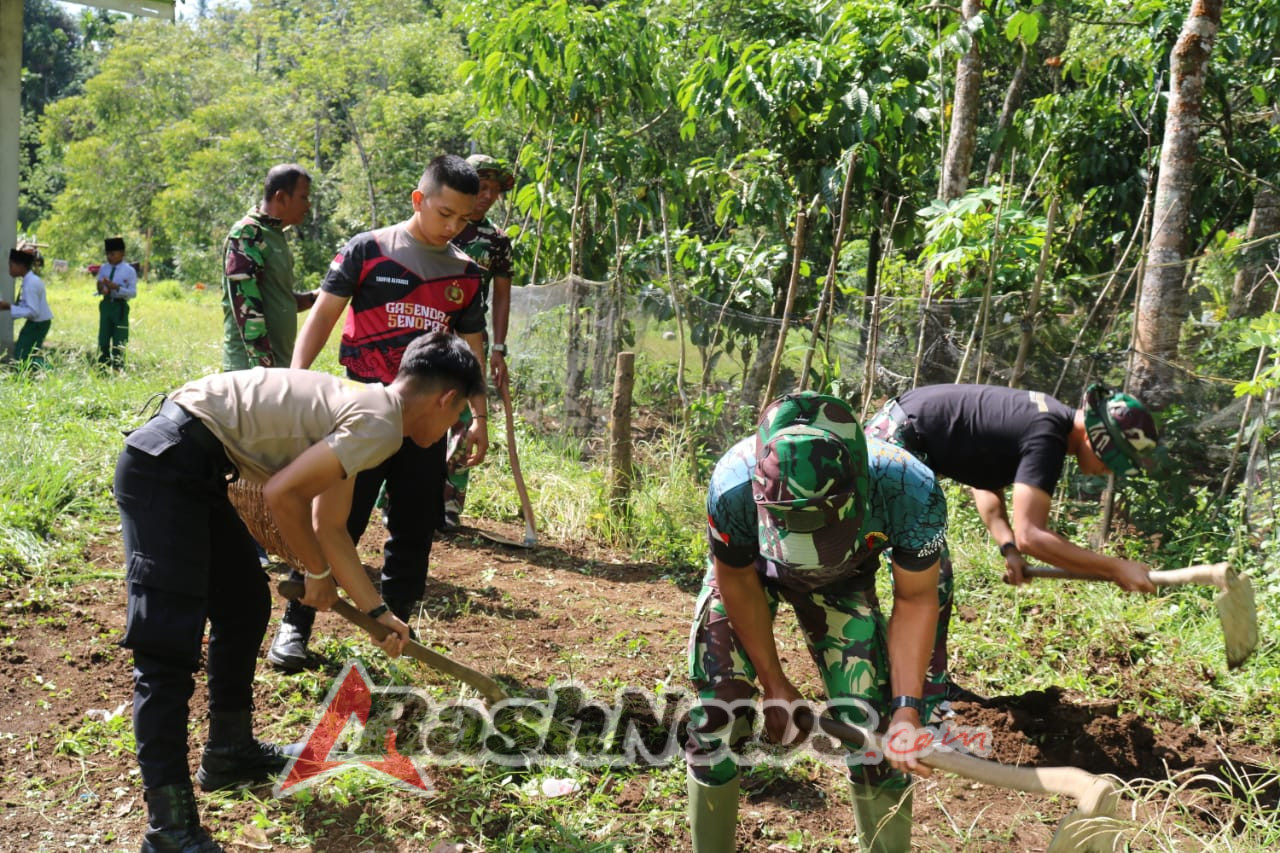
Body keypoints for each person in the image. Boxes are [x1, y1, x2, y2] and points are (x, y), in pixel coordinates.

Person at [115, 331, 483, 853]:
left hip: (192, 465)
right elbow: (280, 493)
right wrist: (315, 572)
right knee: (166, 651)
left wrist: (376, 612)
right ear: (447, 398)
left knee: (244, 603)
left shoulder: (366, 411)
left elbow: (329, 527)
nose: (453, 428)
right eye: (459, 415)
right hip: (168, 465)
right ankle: (170, 829)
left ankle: (229, 751)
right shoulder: (378, 424)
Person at [685, 392, 945, 853]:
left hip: (844, 581)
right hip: (754, 572)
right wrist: (775, 684)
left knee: (875, 727)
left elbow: (917, 599)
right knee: (718, 711)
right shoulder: (732, 483)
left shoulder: (909, 489)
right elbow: (738, 583)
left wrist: (907, 706)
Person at [268, 154, 490, 672]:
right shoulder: (367, 250)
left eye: (463, 219)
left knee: (413, 529)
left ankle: (393, 638)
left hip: (425, 426)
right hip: (358, 417)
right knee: (335, 520)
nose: (453, 227)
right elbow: (323, 316)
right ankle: (295, 625)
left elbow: (472, 351)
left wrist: (479, 417)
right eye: (444, 213)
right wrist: (297, 381)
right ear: (418, 200)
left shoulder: (465, 273)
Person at [863, 383, 1163, 702]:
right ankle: (912, 690)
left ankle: (922, 683)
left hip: (890, 434)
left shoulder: (1043, 419)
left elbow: (983, 483)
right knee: (931, 577)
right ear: (1098, 439)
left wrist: (1008, 547)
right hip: (895, 447)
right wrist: (1116, 568)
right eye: (1113, 461)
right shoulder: (1048, 435)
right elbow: (1033, 536)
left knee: (909, 569)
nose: (1108, 471)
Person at [440, 153, 516, 529]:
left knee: (466, 416)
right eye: (481, 187)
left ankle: (449, 502)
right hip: (429, 334)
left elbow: (501, 296)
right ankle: (395, 497)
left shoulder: (496, 242)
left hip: (471, 339)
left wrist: (498, 347)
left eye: (494, 190)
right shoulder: (441, 226)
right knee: (417, 411)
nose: (487, 196)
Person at [221, 163, 318, 371]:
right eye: (303, 197)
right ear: (281, 197)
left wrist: (320, 296)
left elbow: (279, 299)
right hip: (252, 371)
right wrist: (264, 371)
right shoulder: (248, 234)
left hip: (276, 368)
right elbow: (246, 309)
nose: (308, 205)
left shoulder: (274, 234)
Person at [2, 242, 52, 363]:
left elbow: (33, 311)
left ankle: (46, 371)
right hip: (37, 322)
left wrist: (9, 307)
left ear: (20, 266)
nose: (9, 269)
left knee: (23, 354)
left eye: (11, 266)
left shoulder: (30, 284)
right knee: (25, 351)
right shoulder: (29, 280)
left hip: (38, 323)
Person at [96, 236, 138, 369]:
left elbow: (133, 293)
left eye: (113, 253)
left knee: (119, 338)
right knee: (103, 336)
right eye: (108, 254)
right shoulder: (104, 268)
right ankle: (103, 364)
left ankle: (118, 366)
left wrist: (117, 288)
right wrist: (102, 288)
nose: (110, 257)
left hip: (120, 306)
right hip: (107, 304)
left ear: (122, 253)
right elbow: (100, 285)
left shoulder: (129, 270)